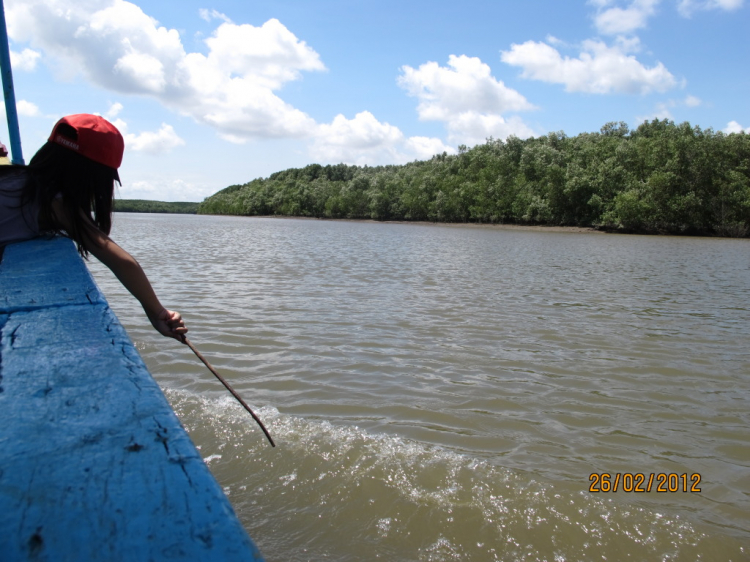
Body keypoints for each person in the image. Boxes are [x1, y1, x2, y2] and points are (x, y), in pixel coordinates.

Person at [0, 114, 187, 341]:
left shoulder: (14, 178)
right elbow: (119, 260)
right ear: (90, 175)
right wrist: (158, 312)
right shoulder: (54, 203)